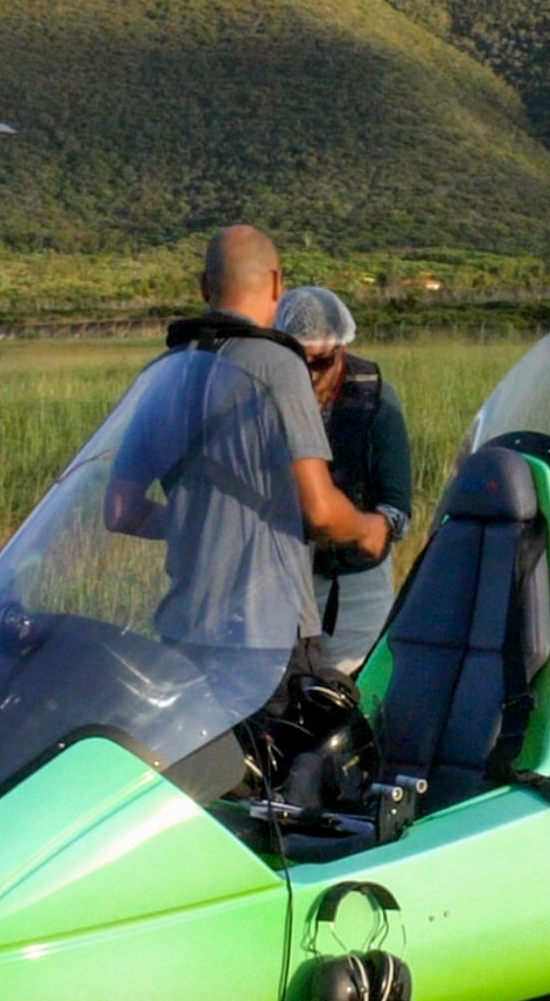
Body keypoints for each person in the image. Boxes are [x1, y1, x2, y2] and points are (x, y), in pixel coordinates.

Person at [104, 226, 389, 663]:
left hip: (182, 630)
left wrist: (193, 525)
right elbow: (320, 512)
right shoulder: (279, 364)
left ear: (204, 287)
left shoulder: (164, 370)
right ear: (278, 283)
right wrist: (368, 529)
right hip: (264, 639)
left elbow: (120, 511)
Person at [276, 284, 411, 672]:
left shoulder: (379, 403)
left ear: (342, 351)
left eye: (320, 362)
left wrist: (376, 528)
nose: (310, 374)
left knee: (351, 699)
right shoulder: (262, 397)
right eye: (297, 362)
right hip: (280, 586)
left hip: (354, 590)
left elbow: (397, 506)